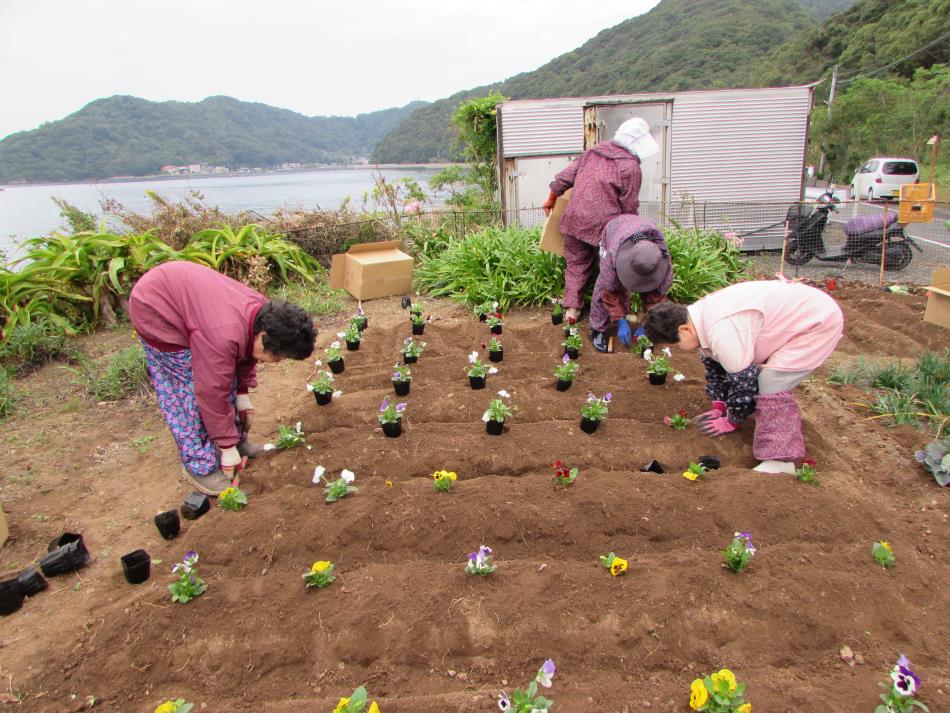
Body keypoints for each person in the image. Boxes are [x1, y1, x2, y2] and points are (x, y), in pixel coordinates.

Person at [129, 261, 316, 495]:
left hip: (190, 301)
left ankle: (236, 442)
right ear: (264, 338)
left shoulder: (263, 314)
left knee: (222, 373)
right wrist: (226, 446)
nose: (277, 362)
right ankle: (200, 464)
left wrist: (242, 393)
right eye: (279, 356)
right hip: (156, 309)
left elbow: (245, 351)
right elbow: (211, 392)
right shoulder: (222, 336)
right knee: (187, 393)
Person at [642, 280, 844, 473]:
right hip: (797, 314)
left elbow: (744, 383)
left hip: (815, 322)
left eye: (675, 345)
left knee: (772, 382)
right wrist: (719, 404)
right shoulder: (697, 319)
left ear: (684, 329)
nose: (679, 350)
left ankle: (780, 460)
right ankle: (767, 428)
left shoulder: (721, 331)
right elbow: (716, 365)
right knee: (757, 376)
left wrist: (732, 419)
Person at [543, 117, 660, 323]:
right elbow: (629, 207)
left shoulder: (592, 152)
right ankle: (616, 313)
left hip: (574, 219)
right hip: (604, 227)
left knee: (576, 264)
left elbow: (562, 179)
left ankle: (572, 310)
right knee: (614, 268)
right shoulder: (630, 167)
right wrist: (633, 238)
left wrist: (551, 200)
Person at [588, 214, 672, 353]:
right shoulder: (613, 255)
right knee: (606, 284)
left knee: (654, 294)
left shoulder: (662, 260)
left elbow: (657, 297)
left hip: (639, 230)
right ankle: (598, 329)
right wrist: (620, 320)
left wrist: (647, 324)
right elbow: (607, 291)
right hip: (615, 230)